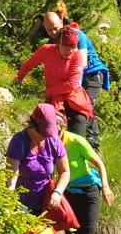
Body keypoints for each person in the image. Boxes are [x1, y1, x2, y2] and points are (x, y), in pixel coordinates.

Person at [13, 8, 98, 139]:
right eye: (66, 48)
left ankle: (92, 147)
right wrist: (18, 78)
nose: (70, 51)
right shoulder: (47, 50)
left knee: (77, 131)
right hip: (54, 100)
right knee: (46, 131)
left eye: (73, 48)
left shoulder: (78, 55)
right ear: (59, 43)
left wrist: (49, 92)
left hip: (74, 99)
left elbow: (73, 84)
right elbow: (29, 64)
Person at [3, 102, 81, 234]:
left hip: (46, 205)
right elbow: (11, 177)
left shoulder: (53, 140)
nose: (46, 137)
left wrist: (57, 193)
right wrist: (8, 205)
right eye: (44, 134)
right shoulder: (19, 142)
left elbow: (65, 172)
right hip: (21, 205)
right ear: (33, 127)